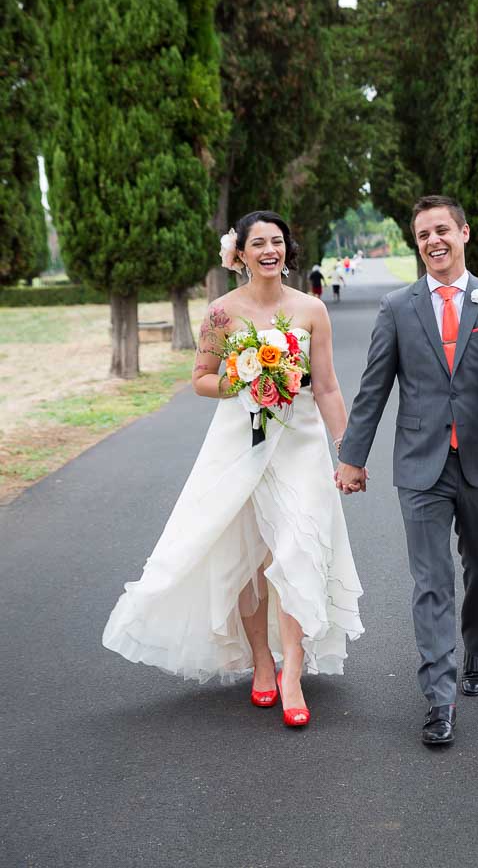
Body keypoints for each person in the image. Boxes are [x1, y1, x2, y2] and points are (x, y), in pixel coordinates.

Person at [103, 211, 364, 729]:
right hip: (239, 445)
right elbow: (200, 379)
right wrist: (245, 378)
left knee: (297, 549)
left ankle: (292, 668)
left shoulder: (312, 310)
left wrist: (348, 451)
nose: (269, 250)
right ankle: (261, 662)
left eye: (277, 242)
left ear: (287, 251)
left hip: (299, 444)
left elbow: (328, 386)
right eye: (258, 243)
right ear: (240, 254)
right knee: (247, 556)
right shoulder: (222, 313)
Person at [336, 195, 478, 747]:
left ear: (464, 234)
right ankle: (440, 699)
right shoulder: (398, 308)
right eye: (423, 234)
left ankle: (475, 648)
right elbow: (374, 386)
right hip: (420, 467)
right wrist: (352, 456)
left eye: (441, 230)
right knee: (431, 583)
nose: (433, 241)